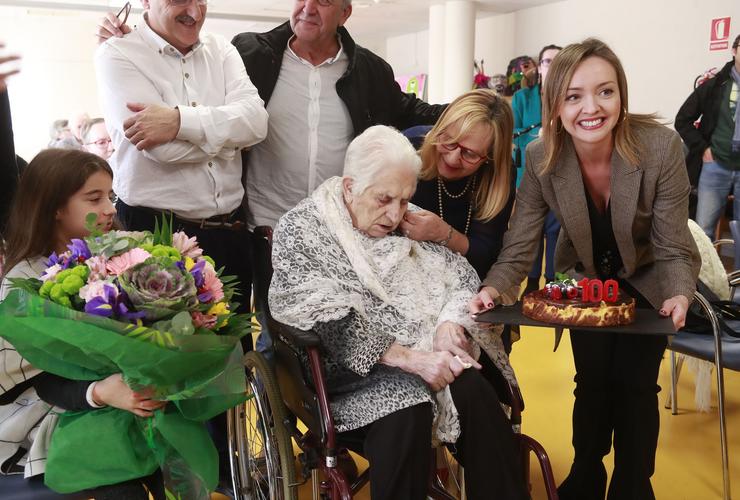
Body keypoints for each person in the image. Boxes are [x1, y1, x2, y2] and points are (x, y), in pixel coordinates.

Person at [470, 39, 701, 500]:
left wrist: (678, 292)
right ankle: (588, 471)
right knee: (591, 381)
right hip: (584, 282)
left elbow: (674, 244)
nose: (591, 108)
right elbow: (521, 244)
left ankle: (635, 482)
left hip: (652, 280)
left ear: (622, 95)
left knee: (636, 385)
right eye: (573, 95)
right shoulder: (540, 157)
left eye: (605, 92)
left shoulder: (660, 147)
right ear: (555, 103)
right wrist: (494, 289)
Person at [269, 125, 527, 500]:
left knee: (474, 388)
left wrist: (447, 324)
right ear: (349, 186)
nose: (395, 215)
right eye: (385, 199)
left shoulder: (410, 221)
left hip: (422, 352)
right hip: (342, 372)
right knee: (406, 407)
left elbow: (459, 278)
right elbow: (326, 319)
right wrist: (410, 360)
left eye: (405, 199)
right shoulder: (303, 228)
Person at [0, 149, 166, 498]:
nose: (109, 209)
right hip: (47, 410)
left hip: (123, 391)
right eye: (94, 198)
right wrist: (100, 392)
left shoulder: (120, 256)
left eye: (111, 196)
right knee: (116, 466)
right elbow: (36, 379)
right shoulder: (21, 283)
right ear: (55, 208)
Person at [94, 0, 268, 315]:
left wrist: (178, 122)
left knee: (235, 353)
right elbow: (163, 150)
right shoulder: (118, 53)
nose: (194, 10)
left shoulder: (222, 50)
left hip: (231, 233)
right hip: (156, 233)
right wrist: (231, 136)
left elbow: (257, 123)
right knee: (170, 354)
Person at [400, 89, 514, 280]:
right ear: (439, 129)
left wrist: (443, 234)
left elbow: (488, 257)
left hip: (464, 284)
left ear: (491, 158)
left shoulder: (498, 172)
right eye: (449, 141)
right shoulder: (408, 147)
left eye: (470, 153)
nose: (453, 159)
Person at [675, 33, 740, 240]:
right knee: (703, 231)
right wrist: (703, 148)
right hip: (715, 167)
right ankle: (703, 273)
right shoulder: (716, 84)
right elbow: (683, 119)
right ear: (734, 50)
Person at [512, 44, 562, 295]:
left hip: (559, 174)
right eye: (547, 61)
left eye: (557, 61)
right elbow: (514, 135)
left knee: (554, 229)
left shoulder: (568, 96)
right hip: (529, 175)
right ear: (539, 66)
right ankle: (531, 281)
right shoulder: (522, 98)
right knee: (532, 229)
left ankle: (552, 281)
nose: (551, 66)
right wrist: (538, 136)